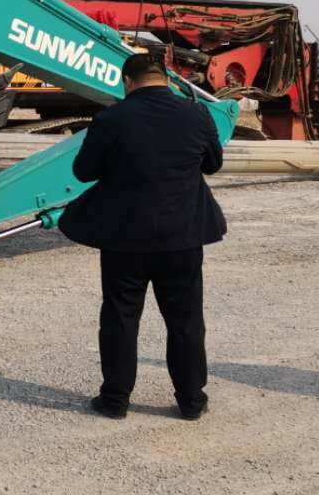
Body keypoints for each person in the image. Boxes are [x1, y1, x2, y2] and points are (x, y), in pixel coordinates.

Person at [57, 54, 227, 420]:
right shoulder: (196, 114)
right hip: (183, 236)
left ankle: (115, 400)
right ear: (165, 78)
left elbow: (83, 171)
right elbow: (213, 164)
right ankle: (191, 401)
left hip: (124, 239)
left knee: (120, 318)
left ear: (127, 81)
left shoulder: (111, 119)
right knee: (185, 321)